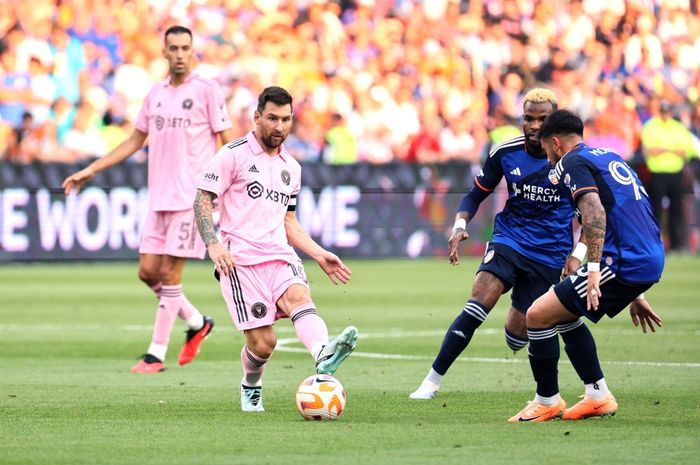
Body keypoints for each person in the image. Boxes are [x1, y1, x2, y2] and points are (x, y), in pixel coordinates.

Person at [62, 26, 235, 373]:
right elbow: (133, 141)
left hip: (192, 199)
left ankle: (155, 354)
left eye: (186, 47)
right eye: (174, 48)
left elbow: (227, 143)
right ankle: (197, 322)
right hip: (159, 198)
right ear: (165, 51)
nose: (181, 54)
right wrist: (92, 168)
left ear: (192, 50)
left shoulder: (206, 91)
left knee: (170, 273)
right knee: (147, 273)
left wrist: (226, 191)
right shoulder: (155, 94)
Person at [411, 88, 589, 399]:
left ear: (555, 123)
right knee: (478, 300)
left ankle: (522, 322)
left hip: (550, 253)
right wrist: (459, 226)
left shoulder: (574, 162)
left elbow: (591, 219)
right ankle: (431, 381)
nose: (534, 126)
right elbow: (475, 194)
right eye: (528, 118)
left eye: (542, 120)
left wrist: (579, 254)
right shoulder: (504, 152)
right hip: (509, 239)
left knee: (518, 333)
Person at [193, 86, 358, 412]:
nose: (279, 126)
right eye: (272, 118)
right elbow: (202, 199)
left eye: (285, 119)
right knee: (264, 344)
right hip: (239, 261)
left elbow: (289, 222)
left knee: (300, 298)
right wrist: (213, 244)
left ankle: (323, 353)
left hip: (279, 254)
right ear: (257, 117)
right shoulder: (232, 155)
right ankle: (251, 384)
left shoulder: (291, 168)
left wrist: (318, 253)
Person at [509, 109, 664, 422]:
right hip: (645, 255)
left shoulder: (571, 162)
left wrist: (593, 272)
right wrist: (636, 292)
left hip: (622, 260)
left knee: (536, 315)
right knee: (563, 314)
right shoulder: (608, 156)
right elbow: (627, 213)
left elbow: (595, 214)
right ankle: (596, 395)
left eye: (546, 150)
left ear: (555, 143)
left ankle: (547, 400)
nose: (547, 158)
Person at [641, 99, 698, 251]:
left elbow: (685, 150)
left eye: (667, 111)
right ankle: (653, 242)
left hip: (675, 173)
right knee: (656, 210)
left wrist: (662, 149)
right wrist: (672, 150)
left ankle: (677, 244)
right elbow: (649, 150)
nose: (665, 114)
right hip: (658, 173)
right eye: (663, 111)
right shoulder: (651, 126)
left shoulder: (678, 127)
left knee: (676, 210)